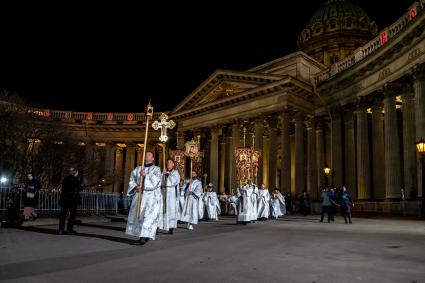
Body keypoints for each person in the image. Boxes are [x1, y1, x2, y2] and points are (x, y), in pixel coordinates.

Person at [125, 151, 162, 245]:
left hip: (150, 197)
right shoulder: (138, 169)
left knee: (148, 216)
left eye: (149, 155)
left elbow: (157, 182)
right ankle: (141, 235)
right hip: (140, 195)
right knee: (139, 215)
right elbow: (132, 180)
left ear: (153, 158)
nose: (147, 156)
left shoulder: (156, 169)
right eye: (146, 155)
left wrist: (146, 176)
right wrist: (136, 187)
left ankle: (145, 236)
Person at [158, 158, 180, 234]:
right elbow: (158, 181)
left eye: (170, 163)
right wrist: (162, 175)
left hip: (171, 195)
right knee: (160, 210)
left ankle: (171, 227)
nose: (168, 164)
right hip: (162, 194)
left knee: (170, 211)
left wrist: (166, 174)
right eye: (167, 163)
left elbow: (173, 181)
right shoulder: (162, 172)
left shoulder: (175, 173)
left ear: (173, 164)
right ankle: (158, 226)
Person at [58, 168, 83, 234]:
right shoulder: (76, 179)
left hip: (64, 199)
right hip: (73, 199)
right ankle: (69, 229)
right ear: (76, 173)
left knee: (63, 215)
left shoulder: (65, 179)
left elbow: (63, 189)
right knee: (72, 215)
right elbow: (79, 188)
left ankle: (61, 229)